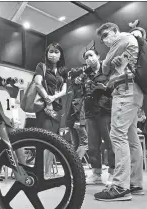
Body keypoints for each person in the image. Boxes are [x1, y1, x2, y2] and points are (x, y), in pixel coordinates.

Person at [93, 23, 144, 201]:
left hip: (125, 90)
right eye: (103, 38)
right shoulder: (127, 41)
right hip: (133, 90)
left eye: (107, 34)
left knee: (117, 136)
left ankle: (120, 187)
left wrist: (106, 64)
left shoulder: (122, 39)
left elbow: (104, 67)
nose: (106, 40)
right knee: (132, 139)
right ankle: (135, 183)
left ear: (115, 31)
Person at [75, 49, 115, 185]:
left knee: (110, 143)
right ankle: (96, 173)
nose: (89, 59)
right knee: (92, 145)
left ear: (98, 56)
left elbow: (114, 88)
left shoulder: (107, 69)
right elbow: (81, 93)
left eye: (91, 55)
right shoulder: (84, 75)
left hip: (105, 110)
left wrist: (105, 88)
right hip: (90, 112)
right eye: (86, 57)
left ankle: (112, 173)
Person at [34, 42, 67, 177]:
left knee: (53, 141)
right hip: (43, 107)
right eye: (51, 51)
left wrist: (53, 98)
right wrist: (47, 98)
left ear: (60, 55)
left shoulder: (62, 71)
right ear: (47, 54)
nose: (53, 54)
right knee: (45, 140)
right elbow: (37, 83)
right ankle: (42, 172)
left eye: (56, 52)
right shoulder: (41, 66)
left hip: (56, 108)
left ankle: (47, 171)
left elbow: (64, 90)